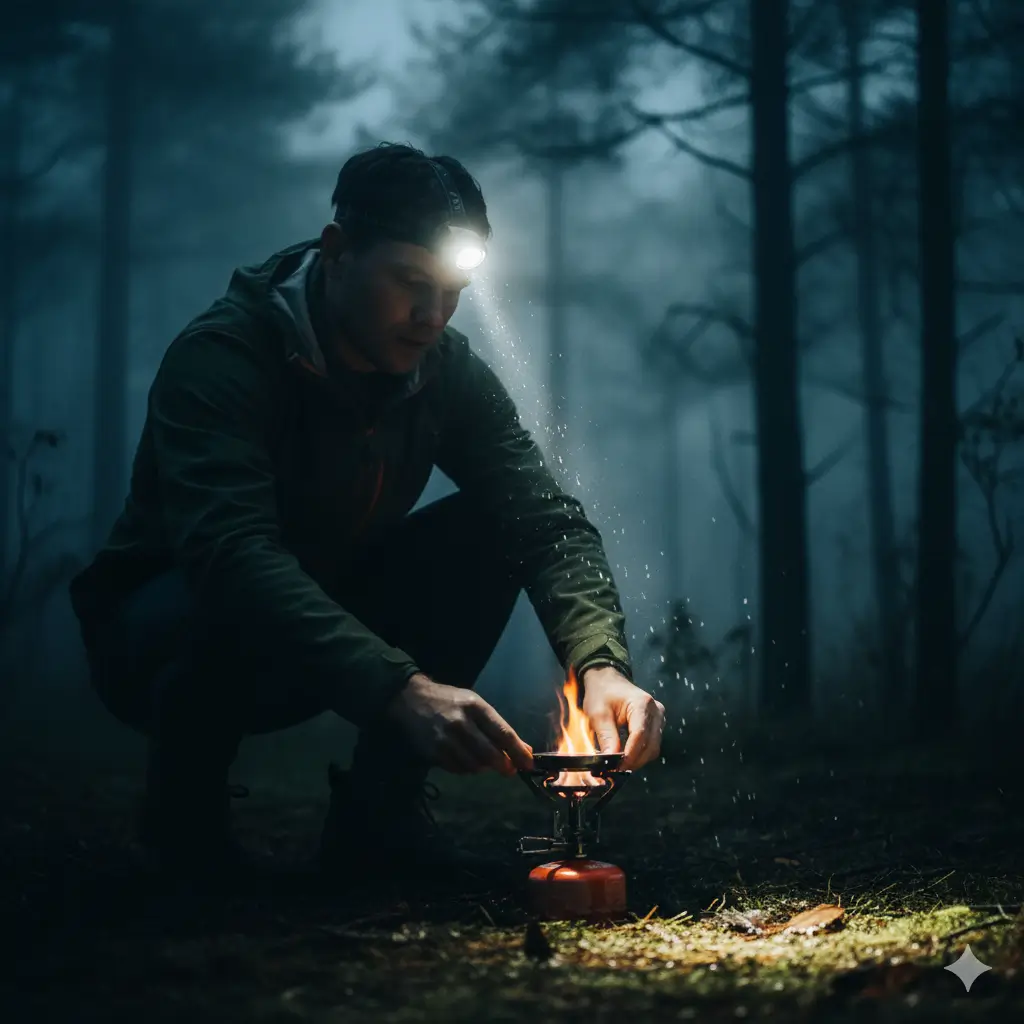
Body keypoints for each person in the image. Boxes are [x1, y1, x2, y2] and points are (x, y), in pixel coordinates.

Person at [69, 142, 665, 883]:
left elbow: (546, 523)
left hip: (329, 629)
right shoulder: (224, 359)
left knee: (489, 529)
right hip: (162, 642)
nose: (432, 315)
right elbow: (231, 555)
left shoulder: (444, 370)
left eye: (451, 292)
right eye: (411, 284)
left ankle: (378, 823)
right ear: (338, 251)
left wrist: (600, 665)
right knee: (231, 576)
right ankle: (184, 823)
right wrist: (400, 690)